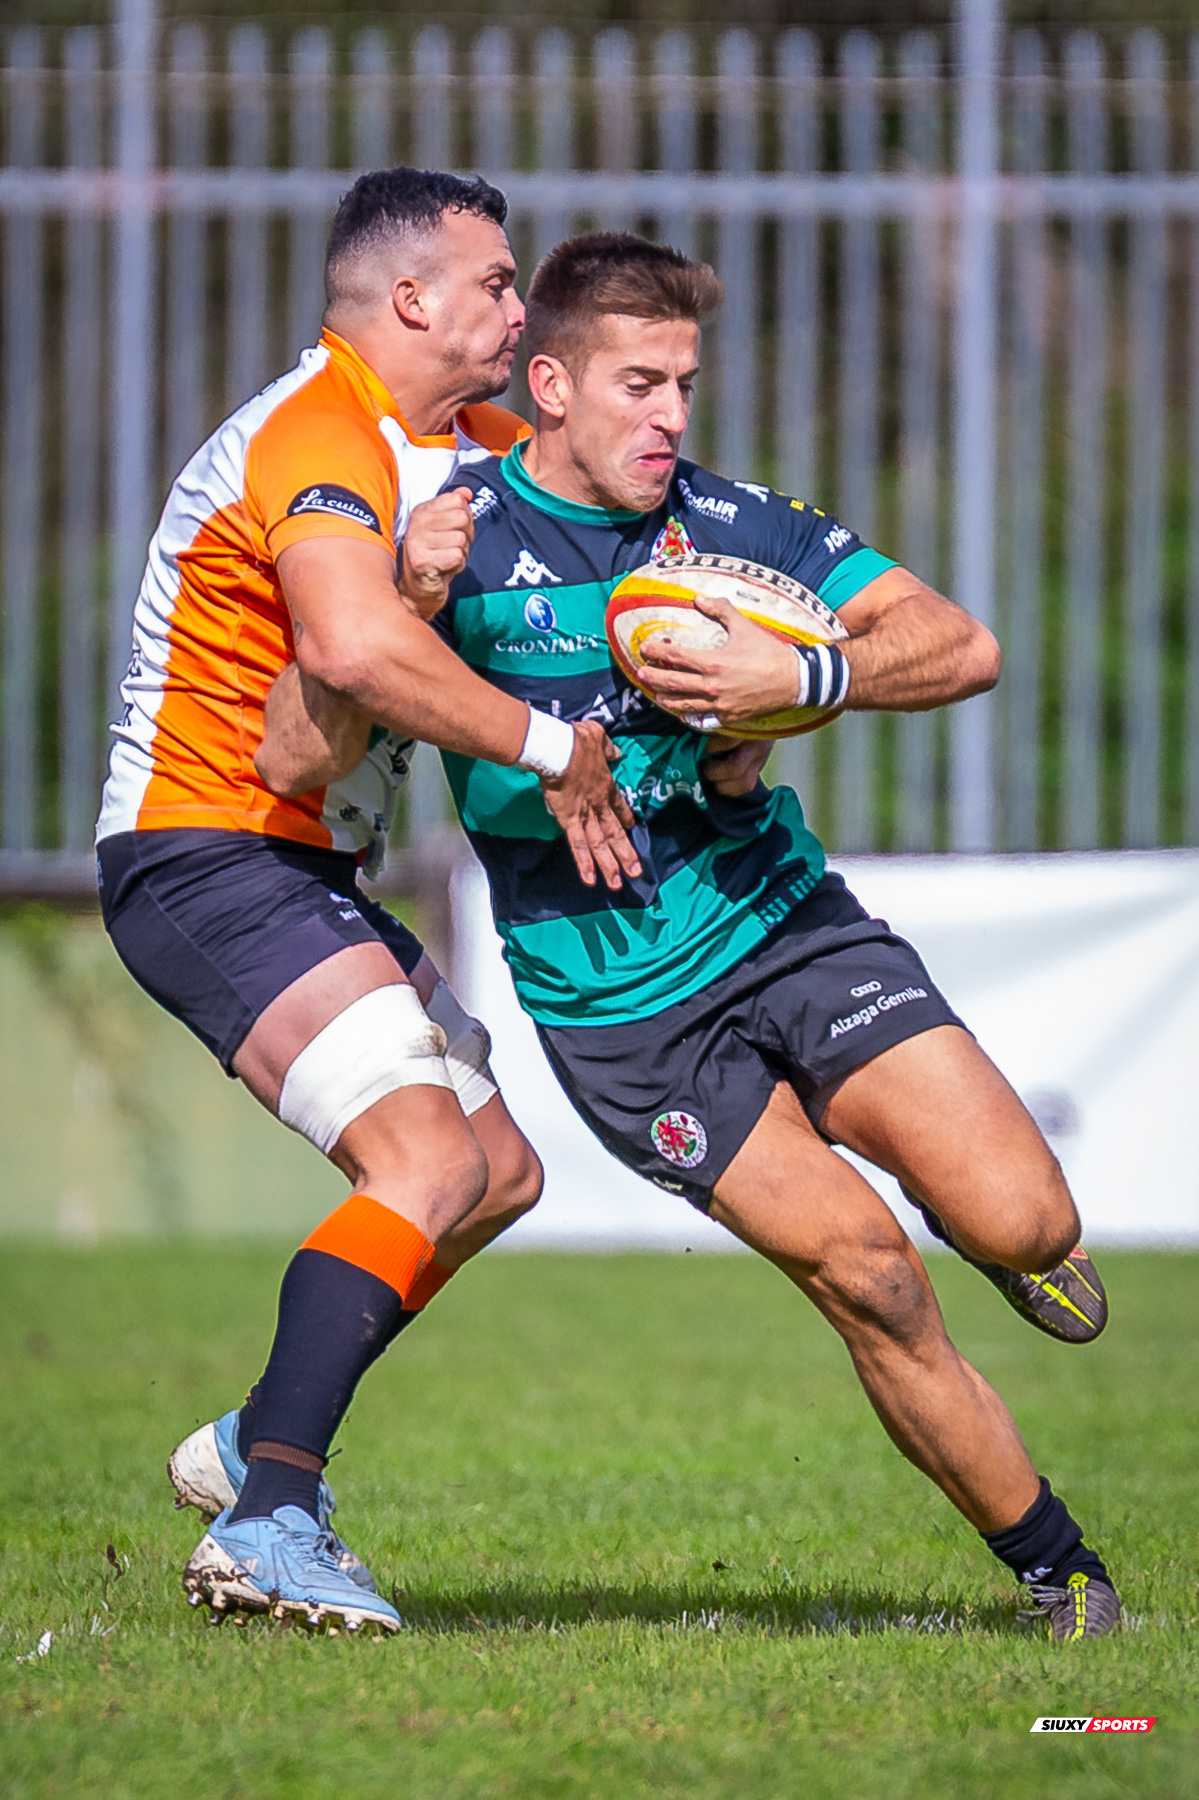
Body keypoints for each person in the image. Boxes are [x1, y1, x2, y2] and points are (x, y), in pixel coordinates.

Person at [260, 232, 1118, 1642]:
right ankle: (1061, 1573)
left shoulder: (731, 524)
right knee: (872, 1275)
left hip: (788, 928)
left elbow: (961, 645)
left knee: (1026, 1217)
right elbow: (299, 755)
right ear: (548, 382)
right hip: (625, 1022)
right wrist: (405, 600)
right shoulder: (455, 539)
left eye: (687, 385)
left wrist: (807, 672)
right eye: (639, 383)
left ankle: (1012, 1239)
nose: (670, 416)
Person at [94, 172, 641, 1634]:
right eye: (499, 283)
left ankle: (252, 1431)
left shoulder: (463, 441)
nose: (523, 311)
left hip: (300, 863)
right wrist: (548, 748)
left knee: (493, 1172)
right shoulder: (318, 431)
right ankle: (270, 1516)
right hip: (206, 849)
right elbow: (342, 646)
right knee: (421, 1161)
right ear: (413, 299)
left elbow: (599, 511)